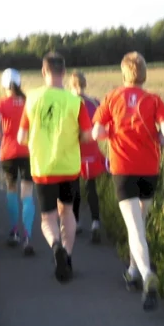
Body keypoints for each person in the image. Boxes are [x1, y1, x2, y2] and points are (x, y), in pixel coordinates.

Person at [92, 52, 164, 311]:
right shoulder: (154, 100)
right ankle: (132, 271)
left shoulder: (112, 97)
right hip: (149, 169)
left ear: (124, 73)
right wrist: (161, 141)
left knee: (135, 227)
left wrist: (112, 133)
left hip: (124, 169)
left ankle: (148, 274)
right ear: (144, 73)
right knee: (138, 224)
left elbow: (96, 132)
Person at [18, 52, 93, 283]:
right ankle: (67, 256)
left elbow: (21, 137)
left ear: (44, 71)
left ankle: (55, 246)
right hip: (69, 167)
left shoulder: (32, 99)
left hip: (43, 168)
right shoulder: (75, 102)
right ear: (64, 72)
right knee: (67, 212)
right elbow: (87, 136)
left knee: (48, 218)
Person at [0, 68, 35, 255]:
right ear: (19, 82)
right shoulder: (28, 101)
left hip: (8, 152)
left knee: (11, 189)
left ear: (3, 85)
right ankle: (27, 236)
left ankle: (14, 231)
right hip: (28, 151)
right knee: (27, 192)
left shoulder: (0, 103)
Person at [68, 70, 106, 243]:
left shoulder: (69, 103)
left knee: (75, 188)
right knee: (91, 189)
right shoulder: (95, 102)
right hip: (92, 152)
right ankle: (96, 222)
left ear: (71, 85)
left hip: (75, 151)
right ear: (85, 84)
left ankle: (76, 222)